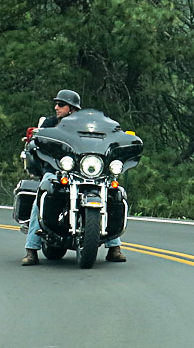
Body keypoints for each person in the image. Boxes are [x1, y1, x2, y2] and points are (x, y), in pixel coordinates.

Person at [22, 89, 126, 265]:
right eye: (56, 104)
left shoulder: (88, 126)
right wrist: (35, 137)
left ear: (72, 109)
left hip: (86, 170)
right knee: (42, 193)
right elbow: (39, 138)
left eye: (61, 104)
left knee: (114, 192)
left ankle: (114, 246)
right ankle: (31, 249)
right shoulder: (50, 123)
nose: (56, 107)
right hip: (56, 170)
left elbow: (106, 138)